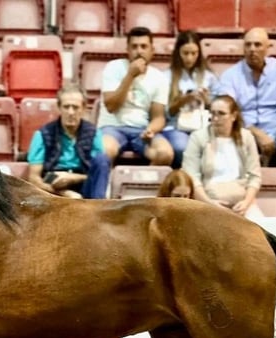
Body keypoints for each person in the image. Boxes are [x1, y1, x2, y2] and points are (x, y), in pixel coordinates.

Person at [219, 27, 276, 168]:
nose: (252, 49)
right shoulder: (230, 76)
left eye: (257, 45)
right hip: (243, 131)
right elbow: (228, 112)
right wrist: (255, 132)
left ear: (267, 48)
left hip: (275, 130)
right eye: (248, 45)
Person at [97, 27, 173, 166]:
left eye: (144, 46)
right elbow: (111, 106)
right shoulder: (113, 68)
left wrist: (151, 129)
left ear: (152, 51)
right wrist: (130, 76)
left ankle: (145, 186)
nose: (139, 51)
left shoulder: (159, 78)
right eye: (134, 47)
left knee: (165, 154)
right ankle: (108, 187)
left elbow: (158, 117)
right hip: (112, 127)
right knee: (105, 150)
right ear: (127, 50)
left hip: (141, 130)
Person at [182, 94, 263, 219]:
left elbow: (255, 176)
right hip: (208, 201)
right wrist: (209, 203)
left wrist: (246, 203)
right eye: (212, 113)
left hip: (241, 201)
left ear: (234, 116)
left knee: (262, 230)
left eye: (221, 113)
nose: (215, 118)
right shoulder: (198, 137)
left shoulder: (246, 137)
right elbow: (192, 177)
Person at [27, 85, 110, 200]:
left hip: (85, 186)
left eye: (75, 107)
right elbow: (33, 178)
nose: (71, 112)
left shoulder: (94, 133)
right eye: (66, 107)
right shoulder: (42, 134)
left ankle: (99, 211)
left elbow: (98, 173)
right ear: (59, 107)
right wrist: (64, 194)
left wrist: (73, 178)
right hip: (53, 190)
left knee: (102, 159)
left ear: (84, 108)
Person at [160, 30, 221, 169]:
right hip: (175, 127)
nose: (189, 58)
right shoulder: (166, 77)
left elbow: (219, 109)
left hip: (202, 125)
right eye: (185, 53)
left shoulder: (209, 77)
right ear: (177, 53)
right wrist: (181, 101)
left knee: (211, 149)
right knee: (183, 148)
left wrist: (207, 101)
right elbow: (164, 113)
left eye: (194, 53)